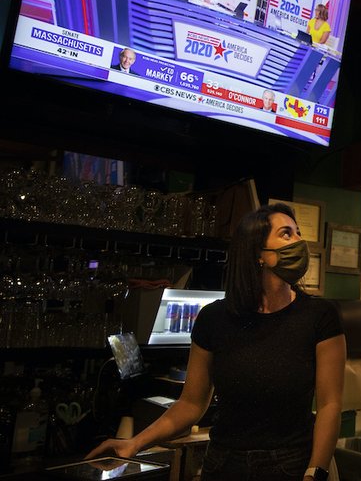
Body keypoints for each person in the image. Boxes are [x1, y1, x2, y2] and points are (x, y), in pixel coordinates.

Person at [86, 203, 346, 481]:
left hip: (290, 464)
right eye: (286, 234)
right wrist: (134, 443)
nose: (299, 242)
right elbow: (191, 404)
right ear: (258, 253)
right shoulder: (214, 318)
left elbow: (330, 405)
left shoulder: (320, 316)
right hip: (223, 463)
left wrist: (314, 472)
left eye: (297, 233)